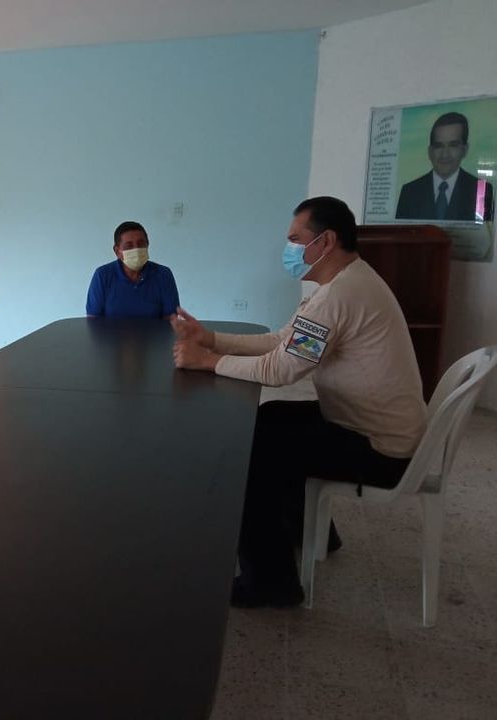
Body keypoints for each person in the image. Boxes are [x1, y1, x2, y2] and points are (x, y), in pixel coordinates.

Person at [172, 197, 426, 608]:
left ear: (325, 241)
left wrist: (208, 361)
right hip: (368, 425)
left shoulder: (339, 296)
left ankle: (270, 583)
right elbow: (281, 341)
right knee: (271, 418)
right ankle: (310, 531)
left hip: (380, 449)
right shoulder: (343, 284)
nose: (288, 249)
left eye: (295, 239)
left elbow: (280, 369)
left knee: (256, 452)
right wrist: (211, 339)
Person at [395, 112, 494, 221]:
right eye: (438, 146)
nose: (445, 154)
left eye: (453, 145)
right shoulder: (409, 192)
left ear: (464, 150)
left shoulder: (482, 190)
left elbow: (485, 231)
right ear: (430, 151)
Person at [86, 221, 179, 318]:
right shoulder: (102, 275)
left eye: (141, 244)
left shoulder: (163, 275)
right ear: (117, 251)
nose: (136, 249)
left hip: (155, 329)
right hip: (110, 329)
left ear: (147, 245)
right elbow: (93, 320)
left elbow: (171, 319)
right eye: (129, 246)